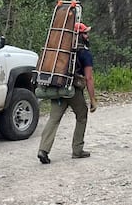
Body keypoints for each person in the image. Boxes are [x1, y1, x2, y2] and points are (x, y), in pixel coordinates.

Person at [37, 22, 97, 164]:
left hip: (57, 88)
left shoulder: (60, 49)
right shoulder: (84, 53)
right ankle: (77, 149)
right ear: (79, 36)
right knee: (82, 115)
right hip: (73, 90)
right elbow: (89, 78)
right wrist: (93, 99)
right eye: (85, 33)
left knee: (54, 119)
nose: (87, 36)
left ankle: (43, 150)